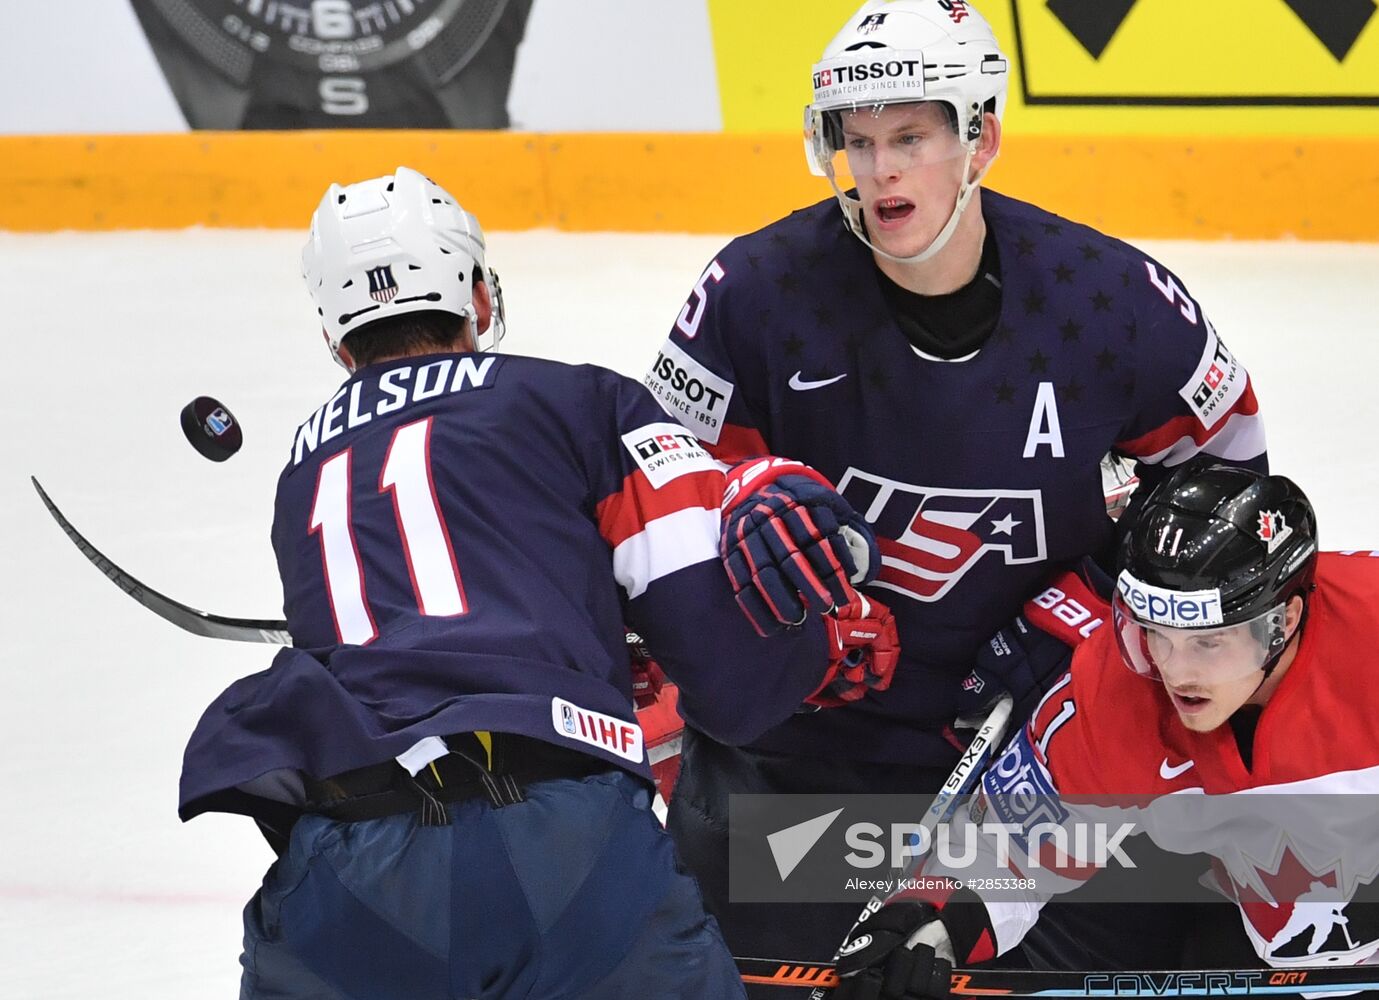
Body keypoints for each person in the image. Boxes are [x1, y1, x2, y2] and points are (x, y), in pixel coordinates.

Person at [643, 0, 1269, 981]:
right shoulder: (753, 291)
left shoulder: (1109, 302)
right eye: (855, 142)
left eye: (908, 137)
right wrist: (736, 498)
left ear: (979, 136)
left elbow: (1227, 489)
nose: (879, 170)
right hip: (797, 746)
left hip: (1038, 753)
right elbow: (649, 490)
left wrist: (1098, 609)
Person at [174, 166, 900, 1000]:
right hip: (558, 853)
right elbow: (730, 683)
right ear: (478, 297)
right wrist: (812, 646)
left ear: (338, 339)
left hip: (341, 879)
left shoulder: (301, 470)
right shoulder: (574, 402)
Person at [832, 462, 1379, 998]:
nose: (1173, 670)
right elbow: (1011, 846)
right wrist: (932, 924)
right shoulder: (1115, 692)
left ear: (1281, 623)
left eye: (1207, 642)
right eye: (1155, 633)